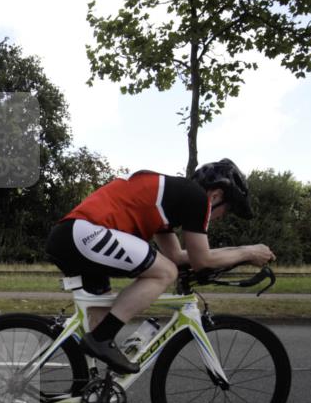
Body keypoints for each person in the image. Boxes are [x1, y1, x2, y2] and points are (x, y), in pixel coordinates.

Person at [44, 158, 275, 374]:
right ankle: (101, 338)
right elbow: (200, 260)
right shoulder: (197, 198)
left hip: (74, 236)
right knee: (164, 273)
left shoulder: (168, 205)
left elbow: (177, 255)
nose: (222, 217)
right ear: (215, 196)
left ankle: (90, 393)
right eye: (228, 210)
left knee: (102, 319)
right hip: (85, 233)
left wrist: (241, 254)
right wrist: (248, 252)